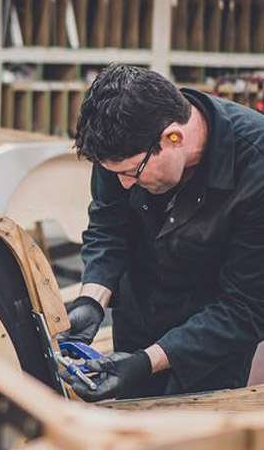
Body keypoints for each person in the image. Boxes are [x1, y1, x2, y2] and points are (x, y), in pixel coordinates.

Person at [60, 64, 264, 402]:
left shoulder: (256, 167)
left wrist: (145, 363)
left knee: (192, 432)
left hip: (212, 342)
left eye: (132, 173)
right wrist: (92, 300)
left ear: (173, 137)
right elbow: (109, 225)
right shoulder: (122, 144)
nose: (125, 184)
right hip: (137, 317)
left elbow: (247, 306)